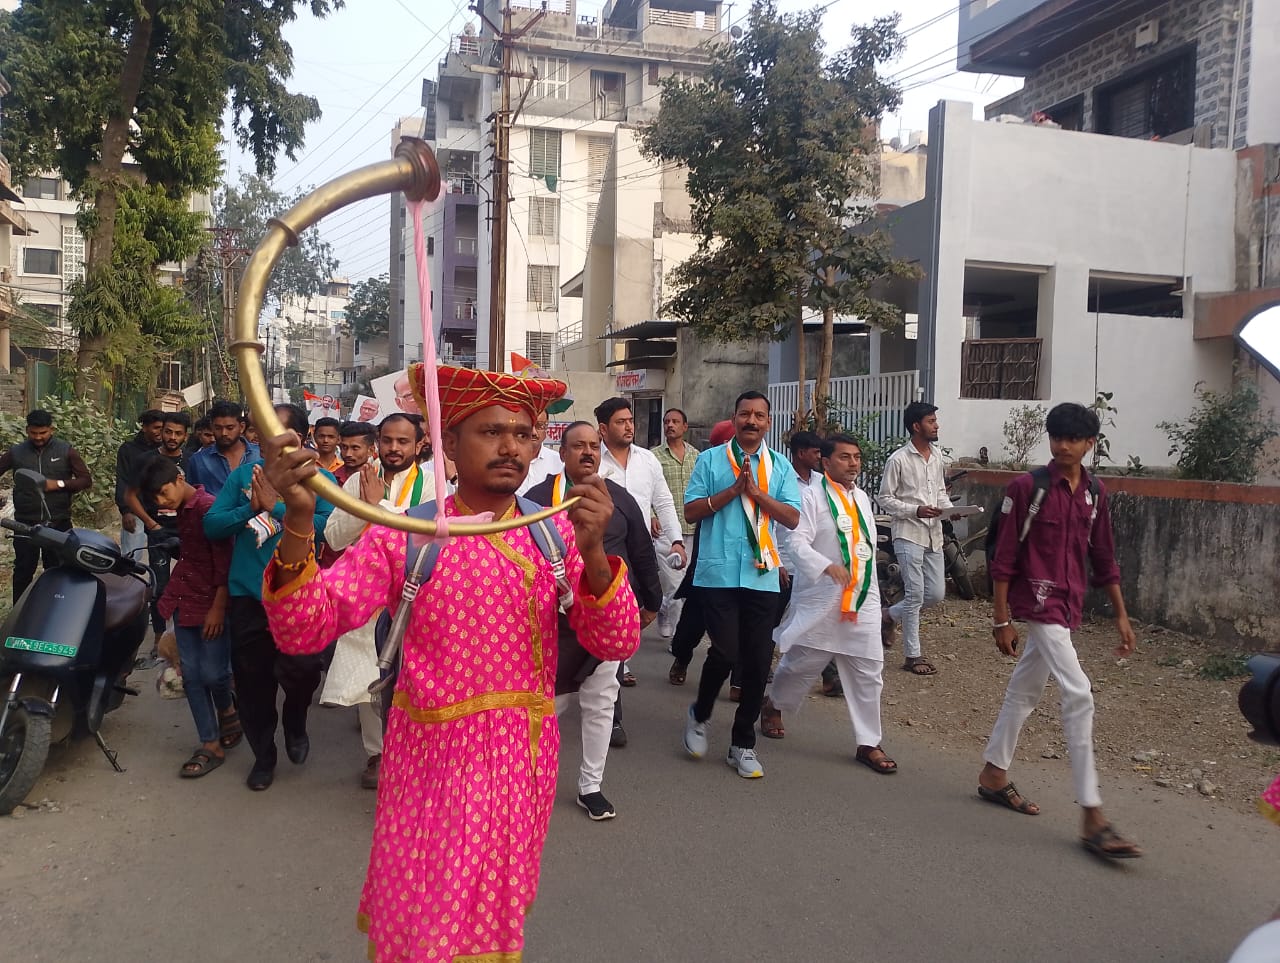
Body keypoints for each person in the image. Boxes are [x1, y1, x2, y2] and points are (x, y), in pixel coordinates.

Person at [258, 363, 640, 962]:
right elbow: (302, 628)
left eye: (522, 433)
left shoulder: (551, 535)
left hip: (523, 765)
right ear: (451, 446)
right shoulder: (405, 535)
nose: (510, 446)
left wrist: (593, 553)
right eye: (491, 432)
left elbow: (616, 641)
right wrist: (299, 522)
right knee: (427, 923)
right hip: (433, 767)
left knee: (496, 919)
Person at [979, 402, 1141, 859]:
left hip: (1069, 603)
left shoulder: (1095, 493)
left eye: (1073, 438)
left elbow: (1103, 557)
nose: (1063, 445)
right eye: (1056, 437)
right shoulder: (1027, 488)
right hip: (1038, 602)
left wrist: (1121, 615)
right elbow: (1004, 557)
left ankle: (993, 773)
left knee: (1025, 690)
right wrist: (1001, 618)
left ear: (1090, 443)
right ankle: (1092, 814)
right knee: (1079, 693)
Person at [527, 421, 661, 820]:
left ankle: (591, 786)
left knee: (601, 703)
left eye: (593, 446)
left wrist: (651, 601)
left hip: (605, 616)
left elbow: (641, 551)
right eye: (578, 446)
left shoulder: (618, 500)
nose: (587, 452)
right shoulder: (535, 501)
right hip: (552, 624)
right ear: (562, 453)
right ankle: (531, 779)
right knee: (549, 706)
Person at [203, 403, 334, 792]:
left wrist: (277, 506)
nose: (265, 440)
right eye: (261, 431)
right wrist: (249, 508)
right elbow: (212, 525)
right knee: (252, 684)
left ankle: (295, 721)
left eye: (276, 432)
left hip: (298, 598)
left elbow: (328, 527)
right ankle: (264, 756)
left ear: (298, 438)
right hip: (249, 598)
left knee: (303, 673)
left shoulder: (320, 479)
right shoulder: (245, 476)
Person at [680, 391, 800, 779]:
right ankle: (700, 713)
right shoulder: (710, 460)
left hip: (762, 574)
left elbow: (792, 517)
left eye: (759, 415)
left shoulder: (780, 466)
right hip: (717, 574)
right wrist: (731, 492)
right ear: (734, 419)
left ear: (768, 422)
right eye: (745, 414)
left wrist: (757, 494)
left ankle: (742, 743)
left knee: (758, 660)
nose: (752, 420)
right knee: (726, 651)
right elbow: (690, 511)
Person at [759, 435, 896, 772]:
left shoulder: (861, 498)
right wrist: (825, 566)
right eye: (845, 457)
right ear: (826, 462)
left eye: (857, 457)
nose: (853, 463)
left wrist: (874, 595)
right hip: (822, 598)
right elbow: (795, 542)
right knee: (801, 664)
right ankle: (774, 704)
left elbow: (865, 549)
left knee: (869, 671)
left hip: (862, 599)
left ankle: (869, 743)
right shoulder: (810, 497)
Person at [322, 412, 436, 789]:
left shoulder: (433, 485)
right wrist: (364, 507)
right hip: (368, 593)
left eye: (403, 441)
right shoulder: (360, 479)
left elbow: (429, 535)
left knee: (415, 678)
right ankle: (377, 753)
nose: (394, 448)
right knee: (367, 677)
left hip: (416, 595)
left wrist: (377, 508)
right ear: (377, 443)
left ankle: (415, 752)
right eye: (387, 440)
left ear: (419, 444)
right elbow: (334, 537)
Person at [138, 456, 240, 778]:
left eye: (164, 492)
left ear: (179, 480)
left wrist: (218, 609)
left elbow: (225, 562)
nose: (161, 501)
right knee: (191, 675)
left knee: (215, 674)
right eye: (155, 498)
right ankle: (210, 743)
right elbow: (194, 554)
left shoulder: (208, 508)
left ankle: (228, 710)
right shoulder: (182, 510)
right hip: (184, 598)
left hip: (212, 602)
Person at [596, 396, 684, 687]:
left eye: (630, 421)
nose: (629, 427)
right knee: (609, 607)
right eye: (620, 422)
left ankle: (621, 656)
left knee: (637, 603)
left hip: (641, 549)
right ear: (603, 429)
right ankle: (616, 665)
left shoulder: (648, 460)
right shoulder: (594, 461)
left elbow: (664, 501)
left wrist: (676, 539)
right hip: (604, 549)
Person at [878, 401, 950, 676]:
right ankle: (913, 655)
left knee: (935, 593)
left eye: (935, 420)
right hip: (908, 533)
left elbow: (940, 493)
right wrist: (915, 510)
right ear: (916, 426)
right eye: (931, 421)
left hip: (933, 534)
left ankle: (888, 616)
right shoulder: (898, 459)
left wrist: (950, 511)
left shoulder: (937, 456)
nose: (936, 425)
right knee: (916, 594)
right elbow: (885, 498)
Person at [667, 418, 736, 686]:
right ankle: (682, 656)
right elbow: (693, 510)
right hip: (709, 555)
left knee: (741, 624)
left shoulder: (762, 468)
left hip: (745, 560)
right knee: (694, 619)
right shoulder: (709, 466)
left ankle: (738, 680)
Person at [0, 409, 93, 599]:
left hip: (58, 522)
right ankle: (20, 611)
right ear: (27, 430)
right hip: (25, 524)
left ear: (51, 429)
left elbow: (85, 480)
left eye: (43, 432)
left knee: (57, 571)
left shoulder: (66, 450)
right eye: (33, 433)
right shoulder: (16, 452)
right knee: (23, 571)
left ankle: (55, 609)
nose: (38, 437)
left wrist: (58, 484)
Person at [124, 411, 192, 667]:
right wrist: (150, 523)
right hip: (159, 531)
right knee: (159, 585)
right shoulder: (146, 460)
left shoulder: (192, 460)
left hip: (187, 531)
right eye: (168, 432)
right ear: (161, 432)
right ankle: (159, 638)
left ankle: (186, 638)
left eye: (178, 433)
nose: (172, 437)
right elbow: (130, 495)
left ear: (186, 436)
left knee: (192, 583)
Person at [651, 408, 700, 637]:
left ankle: (662, 608)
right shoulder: (653, 457)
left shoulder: (697, 457)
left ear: (685, 427)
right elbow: (648, 490)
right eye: (666, 421)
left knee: (686, 584)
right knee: (674, 584)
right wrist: (651, 515)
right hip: (666, 532)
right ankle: (678, 640)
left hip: (693, 528)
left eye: (675, 421)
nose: (670, 425)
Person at [114, 410, 163, 562]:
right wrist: (126, 511)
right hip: (135, 509)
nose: (160, 432)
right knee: (131, 558)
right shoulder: (128, 450)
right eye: (156, 428)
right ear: (145, 427)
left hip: (160, 510)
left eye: (163, 428)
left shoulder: (164, 450)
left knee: (160, 558)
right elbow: (123, 480)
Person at [187, 400, 258, 497]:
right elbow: (191, 498)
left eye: (230, 428)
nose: (224, 433)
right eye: (218, 428)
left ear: (241, 427)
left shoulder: (260, 455)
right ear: (212, 427)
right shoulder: (198, 461)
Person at [516, 408, 563, 496]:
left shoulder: (559, 462)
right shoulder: (506, 460)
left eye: (539, 426)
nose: (533, 432)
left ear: (547, 427)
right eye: (529, 425)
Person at [335, 420, 377, 485]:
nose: (348, 454)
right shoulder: (329, 479)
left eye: (355, 448)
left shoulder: (379, 478)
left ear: (371, 451)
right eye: (345, 447)